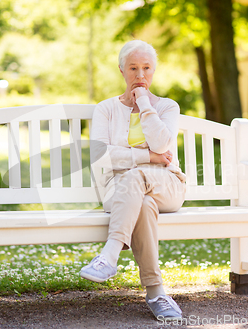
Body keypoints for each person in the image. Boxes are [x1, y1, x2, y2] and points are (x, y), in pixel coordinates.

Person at [80, 40, 187, 320]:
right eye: (133, 68)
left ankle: (110, 255)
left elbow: (163, 145)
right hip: (122, 192)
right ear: (121, 70)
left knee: (137, 178)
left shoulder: (167, 107)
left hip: (168, 184)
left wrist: (143, 103)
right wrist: (148, 157)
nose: (140, 76)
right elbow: (101, 157)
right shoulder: (106, 109)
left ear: (154, 70)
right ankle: (156, 293)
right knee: (143, 203)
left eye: (147, 68)